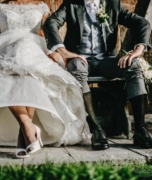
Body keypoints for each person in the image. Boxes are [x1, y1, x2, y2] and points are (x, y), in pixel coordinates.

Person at [0, 0, 91, 158]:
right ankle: (28, 126)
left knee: (30, 69)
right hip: (6, 47)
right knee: (3, 70)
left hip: (33, 48)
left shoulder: (42, 7)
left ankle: (25, 133)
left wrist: (54, 52)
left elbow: (47, 35)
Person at [43, 0, 152, 149]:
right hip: (80, 59)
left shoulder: (113, 4)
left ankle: (140, 130)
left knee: (133, 65)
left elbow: (143, 23)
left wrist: (139, 48)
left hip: (105, 61)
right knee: (76, 67)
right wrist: (64, 52)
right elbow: (50, 23)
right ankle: (96, 130)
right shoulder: (71, 3)